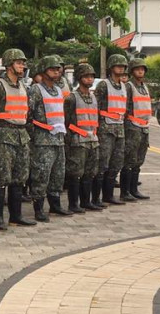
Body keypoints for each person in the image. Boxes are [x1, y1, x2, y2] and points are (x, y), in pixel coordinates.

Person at [0, 49, 36, 229]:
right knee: (1, 177)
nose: (22, 66)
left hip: (21, 135)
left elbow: (27, 113)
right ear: (9, 65)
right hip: (4, 134)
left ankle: (16, 216)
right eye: (18, 63)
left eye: (23, 63)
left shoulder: (23, 87)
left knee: (19, 177)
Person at [27, 56, 72, 221]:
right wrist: (33, 138)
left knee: (58, 174)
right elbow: (28, 116)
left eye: (57, 69)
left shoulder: (59, 90)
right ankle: (38, 208)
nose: (56, 72)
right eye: (52, 69)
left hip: (58, 139)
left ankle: (55, 205)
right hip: (42, 141)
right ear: (44, 71)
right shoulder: (36, 90)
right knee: (41, 174)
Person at [64, 63, 102, 213]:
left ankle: (86, 202)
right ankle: (73, 204)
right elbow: (66, 122)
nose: (90, 79)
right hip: (78, 141)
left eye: (92, 76)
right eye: (86, 76)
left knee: (90, 173)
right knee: (75, 174)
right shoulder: (72, 98)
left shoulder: (93, 97)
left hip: (93, 140)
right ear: (80, 78)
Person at [95, 54, 128, 207]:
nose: (121, 68)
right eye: (118, 65)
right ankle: (97, 197)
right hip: (106, 129)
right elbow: (96, 107)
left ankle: (109, 195)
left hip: (119, 128)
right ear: (111, 67)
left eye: (123, 66)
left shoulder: (124, 86)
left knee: (117, 162)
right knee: (103, 163)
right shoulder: (103, 85)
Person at [122, 58, 152, 202]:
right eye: (137, 69)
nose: (141, 71)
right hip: (132, 126)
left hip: (144, 127)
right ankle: (125, 191)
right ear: (132, 71)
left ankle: (134, 189)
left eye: (142, 69)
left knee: (139, 159)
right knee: (129, 159)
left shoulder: (144, 87)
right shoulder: (128, 86)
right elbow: (126, 107)